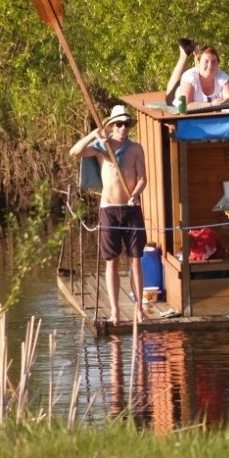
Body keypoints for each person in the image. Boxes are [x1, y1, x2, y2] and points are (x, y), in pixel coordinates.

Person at [70, 104, 148, 325]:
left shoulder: (136, 149)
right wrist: (93, 134)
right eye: (119, 124)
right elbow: (75, 152)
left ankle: (139, 309)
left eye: (126, 124)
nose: (123, 128)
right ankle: (115, 312)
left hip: (131, 209)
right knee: (112, 261)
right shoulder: (102, 147)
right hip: (109, 209)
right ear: (112, 125)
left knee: (135, 260)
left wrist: (135, 194)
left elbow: (143, 178)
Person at [166, 41, 229, 109]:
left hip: (198, 70)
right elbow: (186, 105)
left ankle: (197, 53)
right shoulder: (190, 77)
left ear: (218, 64)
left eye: (214, 62)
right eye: (206, 61)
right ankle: (184, 55)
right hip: (176, 98)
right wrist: (211, 105)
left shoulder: (222, 77)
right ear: (198, 63)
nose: (210, 66)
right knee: (169, 98)